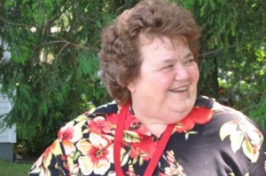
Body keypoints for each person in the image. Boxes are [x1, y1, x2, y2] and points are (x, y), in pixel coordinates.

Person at [28, 0, 266, 175]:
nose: (185, 74)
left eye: (188, 60)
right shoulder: (83, 136)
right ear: (129, 77)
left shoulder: (235, 133)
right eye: (167, 66)